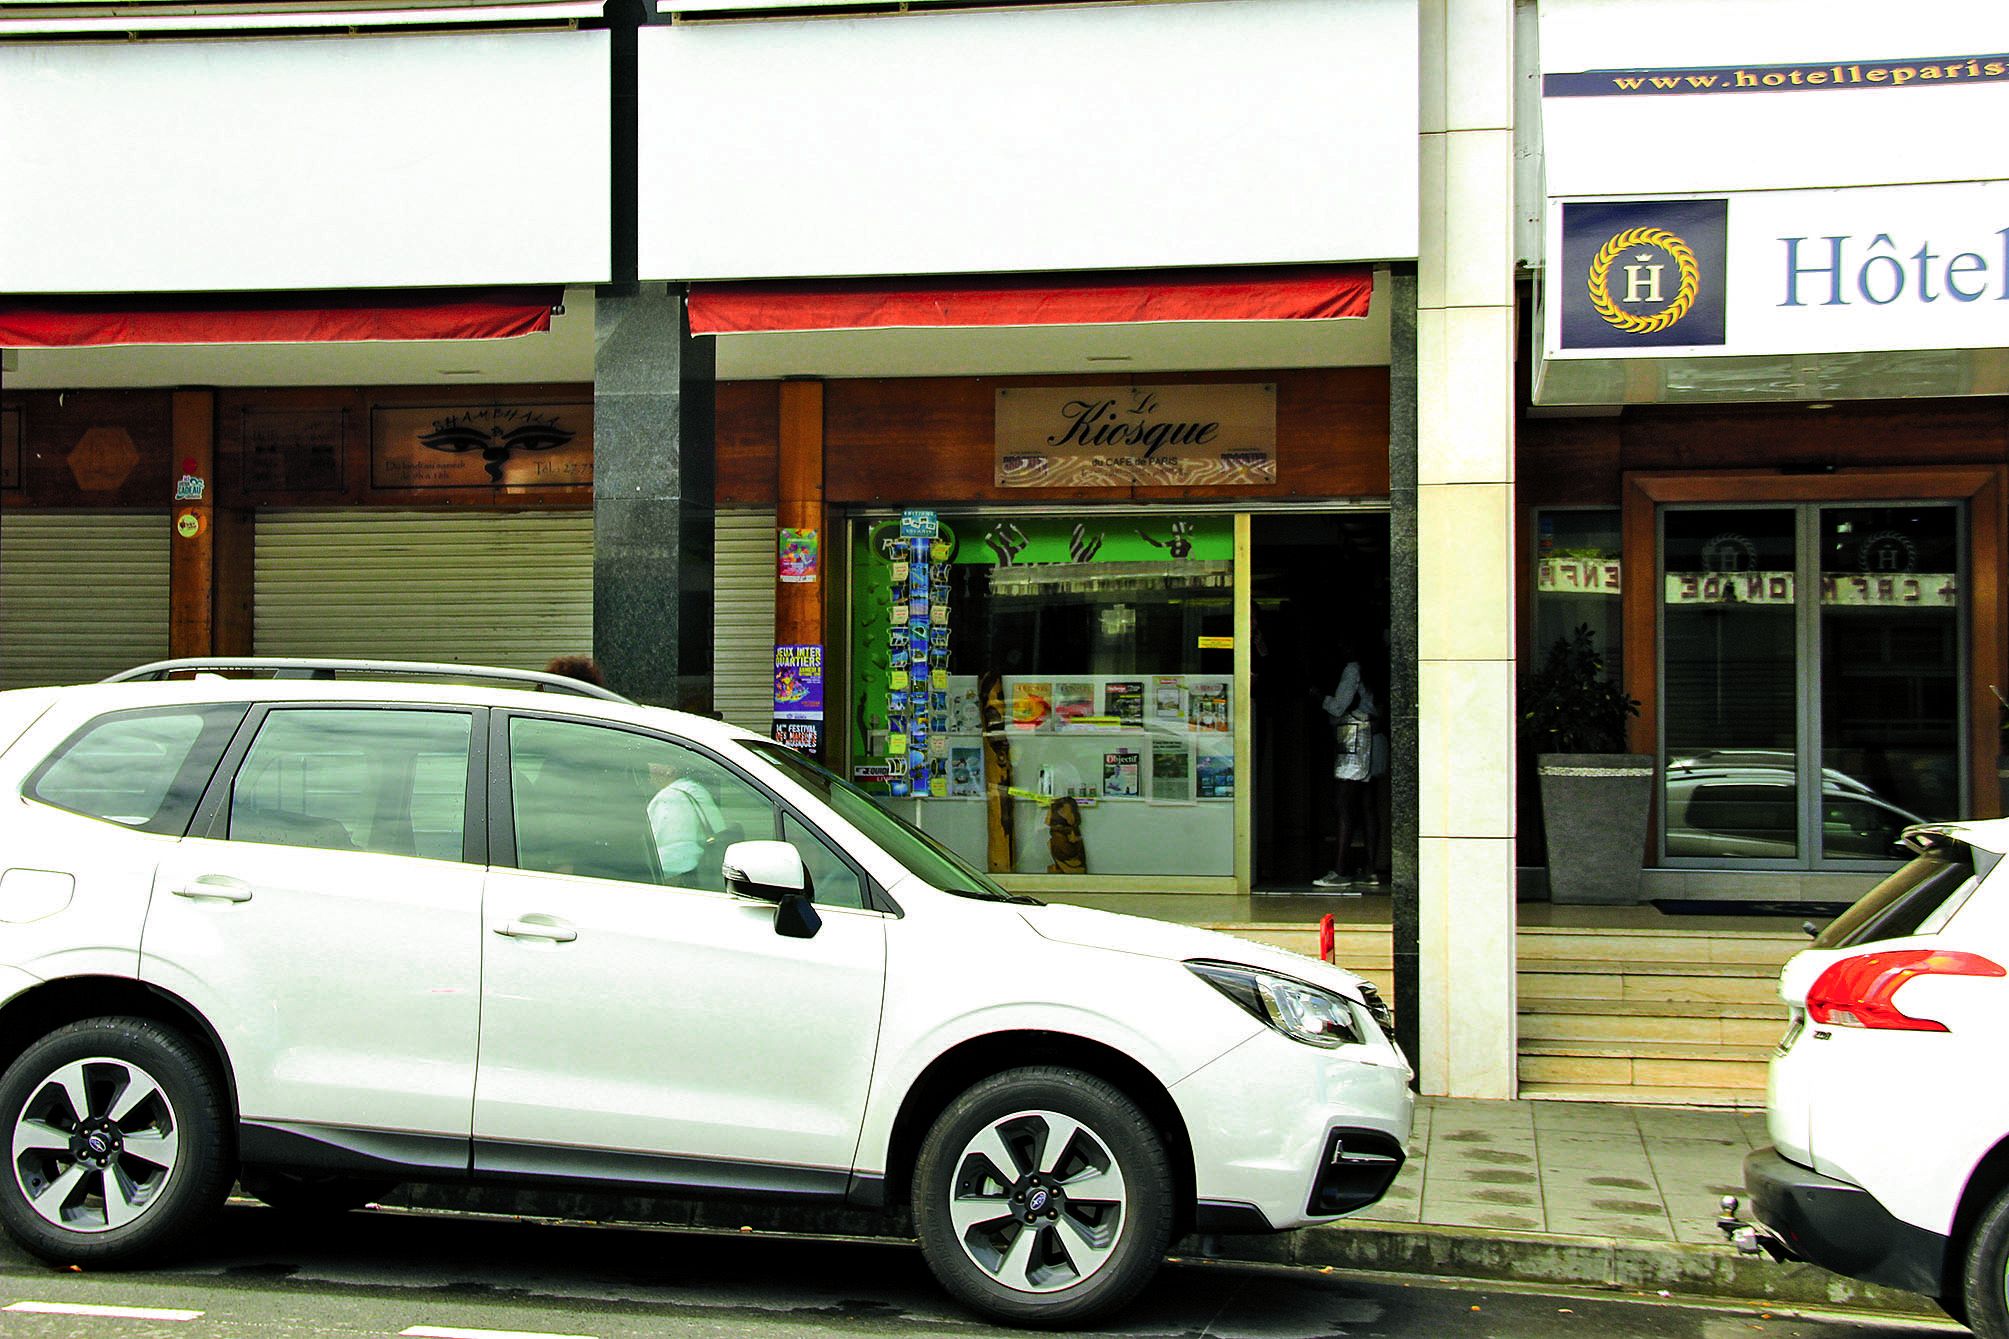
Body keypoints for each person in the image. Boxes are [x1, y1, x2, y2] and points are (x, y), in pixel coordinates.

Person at [1316, 649, 1388, 890]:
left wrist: (1319, 697)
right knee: (1368, 806)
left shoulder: (1353, 669)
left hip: (1355, 737)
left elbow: (1338, 707)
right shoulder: (1379, 665)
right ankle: (1370, 869)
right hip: (1375, 737)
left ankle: (1340, 869)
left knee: (1343, 804)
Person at [647, 758, 730, 885]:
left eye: (653, 760)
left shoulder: (671, 798)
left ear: (670, 769)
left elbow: (674, 857)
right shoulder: (693, 789)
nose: (648, 766)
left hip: (686, 883)